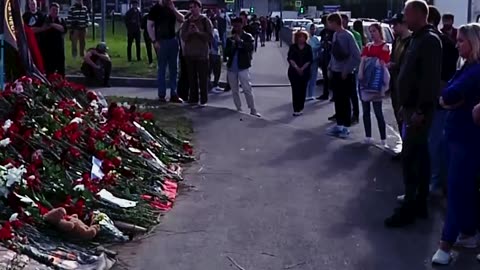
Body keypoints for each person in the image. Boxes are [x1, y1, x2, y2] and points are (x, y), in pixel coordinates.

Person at [384, 0, 442, 228]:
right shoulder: (417, 38)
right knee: (421, 158)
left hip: (420, 111)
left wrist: (420, 110)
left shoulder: (429, 40)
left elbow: (429, 80)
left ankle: (409, 207)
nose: (404, 19)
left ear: (419, 14)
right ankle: (419, 203)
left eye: (407, 14)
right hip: (411, 107)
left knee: (410, 159)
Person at [430, 23, 480, 265]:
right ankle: (468, 232)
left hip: (467, 139)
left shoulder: (476, 69)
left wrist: (450, 100)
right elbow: (448, 94)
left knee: (457, 189)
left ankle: (445, 244)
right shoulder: (467, 66)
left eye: (461, 40)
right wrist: (450, 100)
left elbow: (449, 95)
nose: (457, 44)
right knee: (462, 189)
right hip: (456, 134)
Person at [427, 6, 459, 194]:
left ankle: (436, 181)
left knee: (436, 141)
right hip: (431, 98)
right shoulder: (433, 40)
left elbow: (445, 74)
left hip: (437, 98)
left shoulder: (443, 43)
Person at [326, 13, 361, 139]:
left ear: (335, 22)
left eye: (329, 22)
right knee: (338, 99)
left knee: (345, 101)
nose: (328, 25)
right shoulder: (335, 35)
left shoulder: (348, 36)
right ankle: (339, 124)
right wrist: (330, 66)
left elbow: (357, 56)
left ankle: (346, 127)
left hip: (345, 74)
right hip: (335, 71)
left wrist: (347, 70)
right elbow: (334, 53)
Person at [358, 23, 390, 147]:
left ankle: (383, 138)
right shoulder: (368, 46)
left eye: (374, 31)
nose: (372, 33)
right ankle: (368, 136)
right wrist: (360, 72)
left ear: (379, 32)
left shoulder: (384, 46)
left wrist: (372, 61)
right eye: (370, 31)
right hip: (366, 80)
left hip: (376, 81)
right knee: (366, 111)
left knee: (378, 112)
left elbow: (384, 62)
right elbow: (362, 60)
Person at [147, 0, 185, 103]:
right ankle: (161, 95)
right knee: (162, 69)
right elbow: (149, 25)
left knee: (174, 69)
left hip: (173, 40)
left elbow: (182, 19)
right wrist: (154, 40)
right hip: (161, 41)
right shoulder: (155, 9)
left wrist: (173, 9)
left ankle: (174, 93)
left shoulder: (171, 7)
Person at [385, 13, 411, 160]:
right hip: (396, 84)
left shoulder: (411, 41)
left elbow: (409, 64)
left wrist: (396, 65)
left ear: (404, 24)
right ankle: (404, 148)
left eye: (395, 25)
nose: (393, 27)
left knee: (406, 118)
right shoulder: (397, 40)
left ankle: (408, 152)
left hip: (404, 85)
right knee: (398, 116)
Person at [225, 17, 260, 117]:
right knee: (234, 89)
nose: (236, 28)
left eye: (238, 26)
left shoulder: (247, 36)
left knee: (247, 88)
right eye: (234, 26)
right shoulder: (230, 38)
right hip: (232, 67)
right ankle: (238, 108)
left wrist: (240, 42)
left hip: (243, 66)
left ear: (242, 25)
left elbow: (250, 48)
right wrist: (232, 46)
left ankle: (252, 109)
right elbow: (226, 52)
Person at [181, 0, 213, 106]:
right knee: (192, 78)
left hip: (202, 55)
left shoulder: (205, 21)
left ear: (200, 8)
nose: (192, 9)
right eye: (191, 7)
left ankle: (203, 100)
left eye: (195, 7)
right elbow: (183, 37)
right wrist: (190, 32)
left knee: (203, 79)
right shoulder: (187, 22)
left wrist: (198, 32)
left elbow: (210, 37)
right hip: (189, 54)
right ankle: (193, 99)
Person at [341, 13, 360, 124]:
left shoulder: (353, 34)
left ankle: (355, 114)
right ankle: (342, 113)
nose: (342, 23)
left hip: (352, 68)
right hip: (341, 69)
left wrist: (353, 67)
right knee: (342, 94)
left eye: (343, 21)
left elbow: (357, 53)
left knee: (353, 93)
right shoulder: (337, 34)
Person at [287, 30, 313, 116]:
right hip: (293, 72)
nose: (302, 39)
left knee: (303, 90)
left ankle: (301, 107)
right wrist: (297, 68)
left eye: (303, 37)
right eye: (300, 37)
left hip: (305, 71)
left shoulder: (308, 47)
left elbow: (309, 60)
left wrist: (302, 68)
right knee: (295, 90)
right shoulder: (293, 47)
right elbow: (290, 58)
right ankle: (296, 108)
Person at [43, 3, 67, 76]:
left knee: (61, 70)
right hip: (48, 49)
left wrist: (52, 24)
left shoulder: (61, 20)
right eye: (53, 10)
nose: (55, 12)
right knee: (49, 70)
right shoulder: (45, 19)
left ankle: (62, 85)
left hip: (59, 48)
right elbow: (43, 27)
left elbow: (63, 29)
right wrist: (50, 25)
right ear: (50, 10)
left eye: (57, 10)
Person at [317, 15, 334, 101]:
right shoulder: (323, 32)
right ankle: (325, 93)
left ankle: (334, 95)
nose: (325, 25)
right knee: (325, 76)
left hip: (332, 56)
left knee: (333, 76)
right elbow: (321, 42)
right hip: (325, 55)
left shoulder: (333, 31)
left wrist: (329, 44)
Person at [306, 23, 320, 101]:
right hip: (307, 61)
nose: (313, 30)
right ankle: (306, 94)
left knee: (313, 78)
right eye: (311, 29)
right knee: (307, 78)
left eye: (314, 29)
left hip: (315, 60)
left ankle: (311, 94)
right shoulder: (306, 38)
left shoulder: (315, 38)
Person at [209, 20, 223, 93]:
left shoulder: (216, 30)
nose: (216, 24)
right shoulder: (212, 31)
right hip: (212, 52)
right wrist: (218, 44)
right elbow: (213, 41)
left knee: (217, 70)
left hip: (217, 52)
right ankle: (211, 87)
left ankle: (215, 84)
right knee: (212, 70)